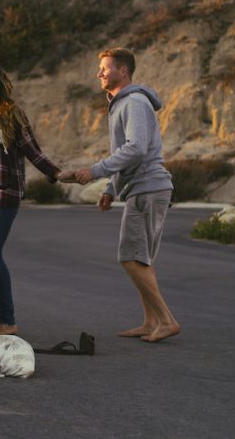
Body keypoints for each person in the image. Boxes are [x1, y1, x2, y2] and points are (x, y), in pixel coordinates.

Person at [60, 48, 179, 343]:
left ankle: (166, 320)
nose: (99, 73)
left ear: (123, 71)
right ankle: (150, 321)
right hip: (145, 188)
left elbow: (136, 149)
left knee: (131, 258)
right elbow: (125, 154)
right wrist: (112, 189)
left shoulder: (134, 102)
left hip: (148, 188)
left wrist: (97, 171)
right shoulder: (122, 104)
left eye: (105, 68)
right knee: (141, 259)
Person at [0, 59, 62, 336]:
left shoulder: (11, 113)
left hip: (5, 192)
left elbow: (33, 151)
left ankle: (6, 320)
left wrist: (56, 173)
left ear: (0, 83)